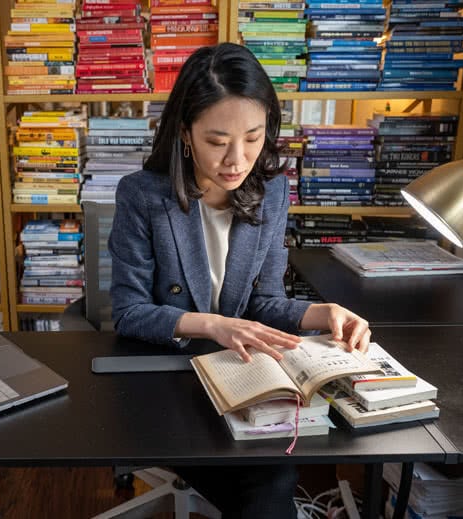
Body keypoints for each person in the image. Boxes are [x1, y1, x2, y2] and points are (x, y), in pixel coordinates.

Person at [108, 42, 372, 518]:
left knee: (275, 468)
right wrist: (212, 325)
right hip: (169, 377)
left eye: (253, 137)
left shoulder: (270, 193)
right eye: (217, 141)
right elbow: (129, 313)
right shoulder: (142, 197)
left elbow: (265, 304)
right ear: (185, 133)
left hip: (243, 374)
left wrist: (323, 313)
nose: (238, 158)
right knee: (266, 482)